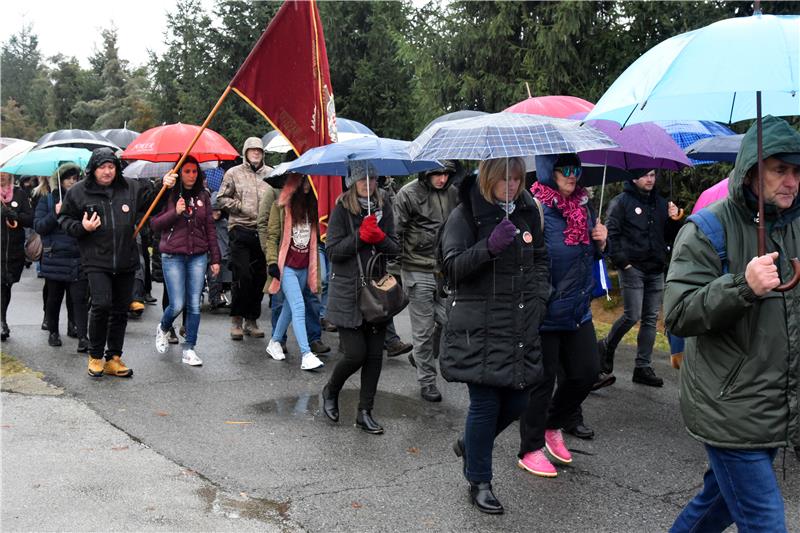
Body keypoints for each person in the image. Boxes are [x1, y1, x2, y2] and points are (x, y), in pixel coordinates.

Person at [664, 115, 800, 533]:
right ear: (751, 171)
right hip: (729, 404)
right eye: (780, 170)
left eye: (797, 172)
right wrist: (743, 286)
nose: (791, 182)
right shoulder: (708, 229)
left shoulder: (793, 226)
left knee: (717, 505)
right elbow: (679, 312)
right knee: (765, 523)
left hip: (774, 401)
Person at [439, 157, 549, 514]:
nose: (512, 186)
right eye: (504, 179)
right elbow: (451, 271)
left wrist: (540, 297)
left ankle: (471, 443)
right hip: (479, 327)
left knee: (518, 400)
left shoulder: (528, 211)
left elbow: (541, 258)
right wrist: (489, 246)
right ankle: (479, 480)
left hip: (518, 324)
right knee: (485, 405)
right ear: (488, 179)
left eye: (517, 179)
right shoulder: (465, 215)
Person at [517, 153, 606, 477]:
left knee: (586, 372)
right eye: (565, 170)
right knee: (542, 381)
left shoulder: (584, 207)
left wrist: (600, 244)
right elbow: (526, 259)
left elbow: (587, 257)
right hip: (545, 309)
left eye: (577, 169)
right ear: (547, 172)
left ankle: (554, 424)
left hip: (578, 309)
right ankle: (530, 447)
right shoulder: (534, 208)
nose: (573, 175)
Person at [59, 148, 176, 378]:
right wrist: (83, 228)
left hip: (126, 258)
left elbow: (152, 201)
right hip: (96, 259)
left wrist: (165, 186)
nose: (107, 171)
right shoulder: (78, 192)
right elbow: (64, 219)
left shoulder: (129, 187)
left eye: (111, 167)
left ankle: (113, 358)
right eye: (102, 167)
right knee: (101, 305)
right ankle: (95, 356)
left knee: (120, 311)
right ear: (93, 169)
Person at [320, 161, 400, 434]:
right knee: (355, 354)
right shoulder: (342, 209)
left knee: (375, 355)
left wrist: (378, 237)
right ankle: (331, 390)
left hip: (376, 292)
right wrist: (361, 236)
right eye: (362, 179)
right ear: (352, 182)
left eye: (372, 179)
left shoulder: (384, 205)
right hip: (347, 292)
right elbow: (333, 252)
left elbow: (395, 249)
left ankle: (365, 412)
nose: (368, 184)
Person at [599, 168, 682, 387]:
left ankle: (642, 367)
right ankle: (606, 346)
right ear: (634, 177)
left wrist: (675, 219)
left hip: (655, 268)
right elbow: (612, 234)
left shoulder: (662, 203)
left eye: (653, 175)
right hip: (632, 268)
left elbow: (669, 236)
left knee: (650, 319)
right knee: (631, 315)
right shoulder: (621, 202)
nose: (650, 179)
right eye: (645, 175)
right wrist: (622, 262)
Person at [394, 161, 459, 402]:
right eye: (437, 173)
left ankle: (422, 356)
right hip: (415, 268)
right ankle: (427, 381)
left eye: (446, 174)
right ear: (426, 172)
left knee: (450, 321)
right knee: (422, 330)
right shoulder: (408, 194)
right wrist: (394, 269)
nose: (442, 178)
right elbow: (395, 231)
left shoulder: (454, 193)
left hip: (445, 269)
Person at [152, 156, 221, 366]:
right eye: (187, 171)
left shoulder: (203, 195)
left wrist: (215, 258)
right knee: (177, 304)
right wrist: (175, 212)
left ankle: (189, 348)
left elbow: (210, 227)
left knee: (194, 305)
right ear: (178, 173)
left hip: (198, 255)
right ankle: (163, 327)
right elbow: (155, 224)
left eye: (194, 171)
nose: (191, 175)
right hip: (173, 255)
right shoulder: (167, 193)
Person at [264, 173, 325, 370]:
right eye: (303, 180)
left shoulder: (314, 207)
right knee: (299, 307)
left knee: (290, 309)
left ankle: (274, 342)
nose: (307, 184)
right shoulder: (281, 206)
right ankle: (306, 354)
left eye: (310, 180)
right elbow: (272, 235)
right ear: (294, 181)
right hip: (287, 267)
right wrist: (272, 262)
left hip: (305, 266)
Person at [216, 137, 273, 340]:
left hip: (263, 231)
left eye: (259, 150)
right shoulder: (234, 173)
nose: (256, 153)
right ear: (246, 152)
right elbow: (221, 198)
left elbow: (277, 199)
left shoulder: (271, 174)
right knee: (242, 275)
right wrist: (239, 206)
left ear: (263, 153)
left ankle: (252, 320)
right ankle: (237, 320)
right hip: (240, 228)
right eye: (252, 150)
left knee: (259, 278)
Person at [33, 163, 89, 352]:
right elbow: (39, 226)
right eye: (68, 179)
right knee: (54, 298)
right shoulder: (48, 200)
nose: (72, 182)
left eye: (75, 178)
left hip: (78, 256)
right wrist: (54, 213)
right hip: (55, 257)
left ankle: (82, 336)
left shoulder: (83, 200)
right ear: (60, 181)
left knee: (79, 299)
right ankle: (53, 332)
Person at [0, 172, 34, 341]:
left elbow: (30, 219)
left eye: (4, 172)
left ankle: (2, 318)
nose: (1, 175)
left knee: (6, 286)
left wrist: (16, 217)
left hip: (13, 252)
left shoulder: (19, 194)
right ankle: (2, 322)